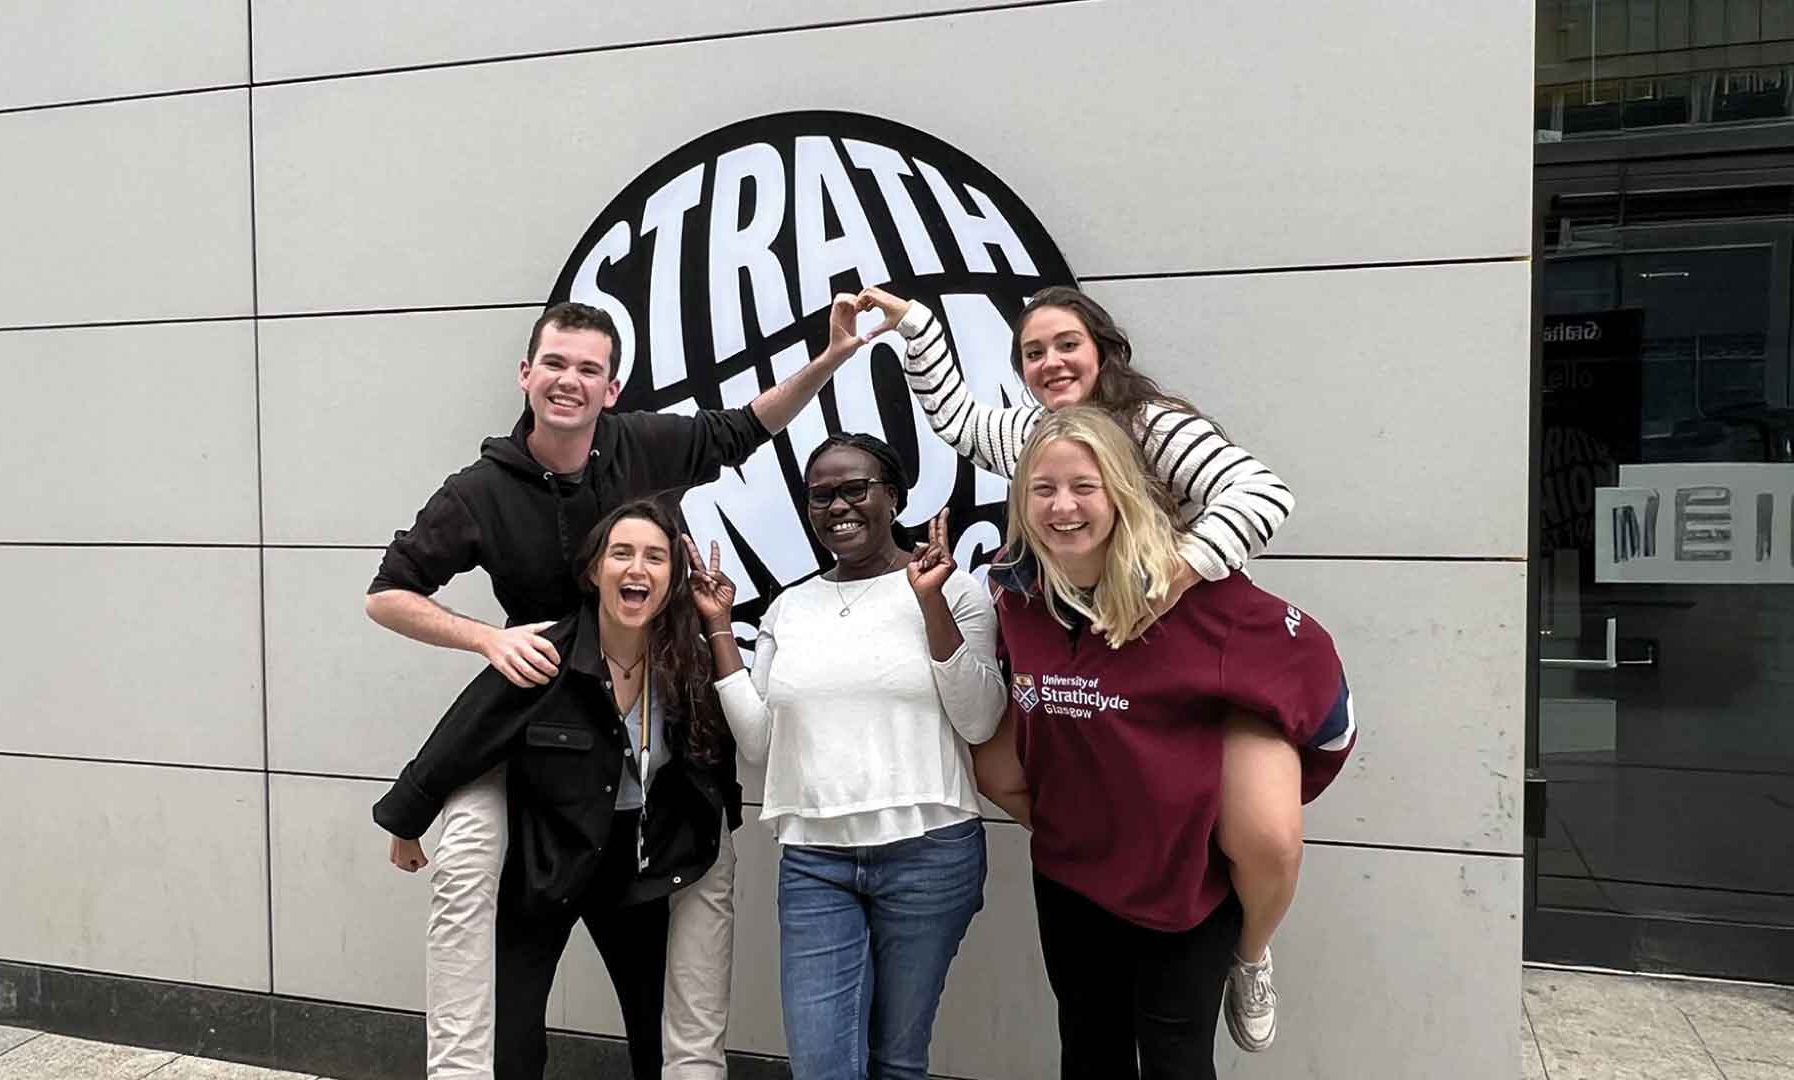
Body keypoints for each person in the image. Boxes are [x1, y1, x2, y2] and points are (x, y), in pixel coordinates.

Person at [367, 297, 876, 1079]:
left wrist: (833, 356)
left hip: (631, 746)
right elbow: (388, 596)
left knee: (672, 996)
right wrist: (487, 639)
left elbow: (747, 425)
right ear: (526, 373)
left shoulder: (641, 446)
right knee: (468, 860)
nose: (569, 380)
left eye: (589, 369)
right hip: (533, 706)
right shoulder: (480, 491)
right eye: (556, 364)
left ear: (611, 388)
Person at [858, 285, 1303, 1050]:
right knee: (1004, 771)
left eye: (1067, 344)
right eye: (1033, 352)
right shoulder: (1039, 432)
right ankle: (1116, 861)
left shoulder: (1154, 425)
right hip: (1092, 657)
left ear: (1103, 349)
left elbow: (1264, 493)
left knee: (1262, 833)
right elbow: (960, 421)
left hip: (1187, 643)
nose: (1052, 362)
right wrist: (915, 325)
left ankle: (1250, 953)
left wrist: (1176, 572)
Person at [972, 407, 1355, 1079]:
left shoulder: (1205, 601)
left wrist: (1288, 773)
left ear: (1120, 491)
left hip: (1182, 891)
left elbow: (1317, 677)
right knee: (1089, 1052)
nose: (1063, 507)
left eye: (1084, 487)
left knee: (1176, 1061)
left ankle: (1250, 956)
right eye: (1043, 489)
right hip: (1069, 877)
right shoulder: (1016, 596)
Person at [684, 433, 1005, 1080]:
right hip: (814, 864)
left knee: (897, 1060)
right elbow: (760, 743)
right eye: (820, 495)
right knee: (823, 1066)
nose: (837, 506)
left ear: (894, 497)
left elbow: (979, 718)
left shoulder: (956, 591)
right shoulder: (790, 607)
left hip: (929, 853)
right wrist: (719, 626)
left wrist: (931, 601)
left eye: (854, 489)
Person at [375, 501, 732, 1080]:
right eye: (621, 553)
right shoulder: (547, 654)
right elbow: (466, 733)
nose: (636, 568)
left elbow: (716, 757)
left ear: (671, 579)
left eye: (654, 557)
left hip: (636, 870)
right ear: (594, 571)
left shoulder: (684, 664)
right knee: (510, 1048)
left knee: (660, 1039)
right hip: (546, 863)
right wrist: (407, 820)